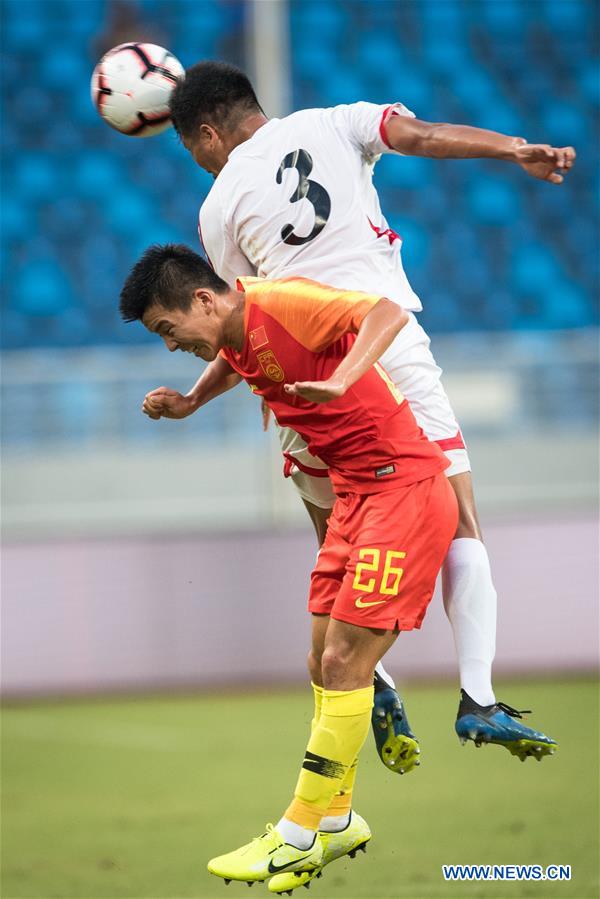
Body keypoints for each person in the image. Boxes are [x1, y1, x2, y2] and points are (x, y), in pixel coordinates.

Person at [148, 62, 572, 765]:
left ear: (207, 133)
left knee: (341, 536)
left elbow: (236, 321)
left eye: (194, 151)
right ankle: (479, 698)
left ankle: (367, 674)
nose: (200, 163)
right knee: (460, 518)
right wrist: (513, 147)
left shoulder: (219, 206)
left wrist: (194, 398)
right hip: (387, 344)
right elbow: (427, 135)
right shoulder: (337, 121)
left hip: (302, 376)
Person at [119, 243, 465, 888]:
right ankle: (337, 824)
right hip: (356, 500)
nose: (168, 346)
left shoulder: (282, 300)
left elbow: (386, 311)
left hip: (404, 494)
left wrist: (342, 376)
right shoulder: (237, 330)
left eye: (168, 331)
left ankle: (299, 832)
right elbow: (234, 356)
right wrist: (192, 402)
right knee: (319, 661)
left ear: (203, 299)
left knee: (344, 662)